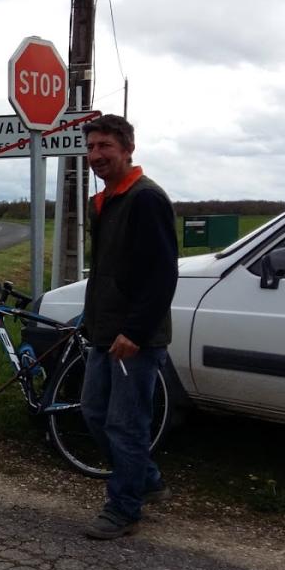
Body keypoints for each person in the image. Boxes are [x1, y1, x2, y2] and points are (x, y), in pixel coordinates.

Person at [79, 114, 179, 539]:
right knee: (94, 412)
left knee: (126, 423)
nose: (96, 155)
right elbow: (106, 272)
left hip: (135, 339)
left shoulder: (146, 199)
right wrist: (92, 320)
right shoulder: (101, 202)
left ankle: (124, 508)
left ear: (127, 149)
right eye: (91, 147)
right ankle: (146, 479)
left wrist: (135, 332)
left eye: (105, 147)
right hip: (105, 332)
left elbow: (162, 275)